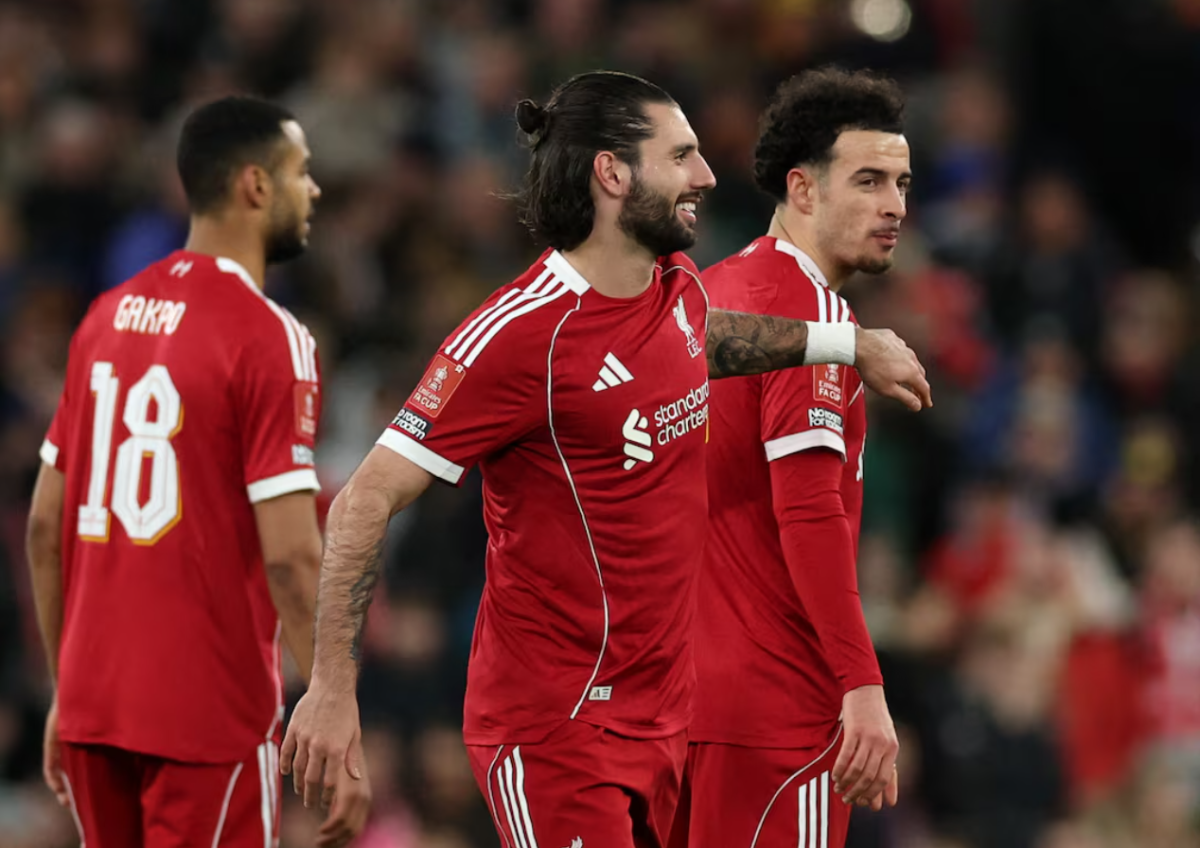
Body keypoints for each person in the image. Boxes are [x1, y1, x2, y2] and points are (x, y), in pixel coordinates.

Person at [280, 71, 929, 848]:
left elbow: (707, 337)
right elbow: (364, 498)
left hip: (662, 722)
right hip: (556, 731)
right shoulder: (520, 336)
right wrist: (332, 688)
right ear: (612, 173)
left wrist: (848, 343)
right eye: (680, 156)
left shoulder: (674, 287)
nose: (706, 175)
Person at [25, 96, 369, 848]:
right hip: (205, 716)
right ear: (255, 185)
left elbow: (45, 526)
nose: (313, 190)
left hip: (91, 708)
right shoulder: (269, 336)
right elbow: (291, 556)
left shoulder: (103, 319)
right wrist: (334, 713)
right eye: (301, 172)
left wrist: (64, 689)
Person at [671, 67, 910, 848]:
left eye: (902, 184)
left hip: (682, 705)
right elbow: (807, 512)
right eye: (868, 181)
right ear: (802, 189)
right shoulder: (812, 319)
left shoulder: (713, 293)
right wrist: (861, 683)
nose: (894, 206)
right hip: (778, 710)